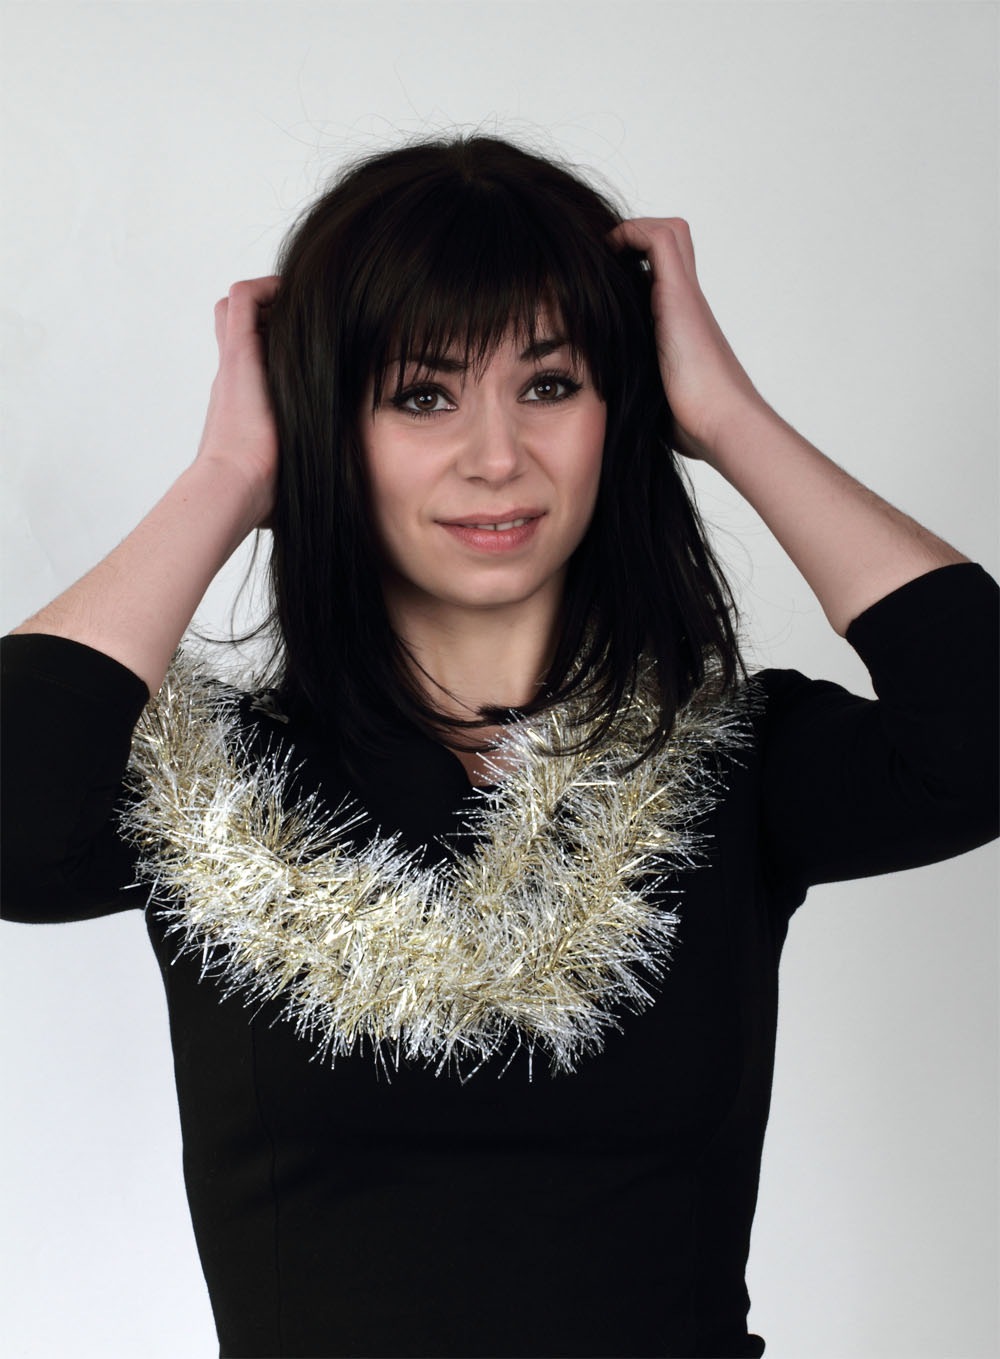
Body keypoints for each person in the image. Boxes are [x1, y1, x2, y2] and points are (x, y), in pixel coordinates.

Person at [1, 134, 996, 1359]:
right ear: (328, 427)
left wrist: (727, 415)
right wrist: (227, 472)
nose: (495, 458)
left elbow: (978, 733)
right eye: (421, 395)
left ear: (621, 409)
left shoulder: (730, 763)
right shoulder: (214, 791)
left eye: (550, 385)